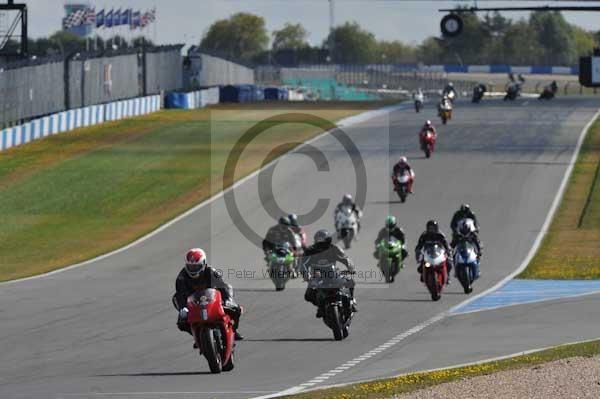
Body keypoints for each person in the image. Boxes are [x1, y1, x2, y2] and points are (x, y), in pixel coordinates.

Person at [174, 248, 244, 341]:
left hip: (213, 300)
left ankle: (234, 330)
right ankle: (198, 337)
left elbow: (222, 286)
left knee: (236, 309)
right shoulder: (181, 277)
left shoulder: (211, 271)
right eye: (190, 267)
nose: (193, 270)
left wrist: (227, 300)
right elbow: (180, 295)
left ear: (204, 264)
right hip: (194, 303)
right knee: (181, 323)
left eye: (196, 267)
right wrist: (183, 308)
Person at [302, 229, 358, 318]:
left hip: (333, 274)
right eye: (320, 243)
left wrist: (351, 268)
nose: (322, 246)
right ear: (316, 242)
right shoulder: (310, 251)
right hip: (317, 276)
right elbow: (303, 265)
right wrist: (306, 275)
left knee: (350, 281)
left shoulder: (335, 249)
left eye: (324, 243)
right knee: (309, 295)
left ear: (328, 241)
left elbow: (345, 259)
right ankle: (321, 307)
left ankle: (351, 301)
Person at [415, 220, 453, 285]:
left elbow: (446, 244)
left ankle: (447, 276)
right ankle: (423, 274)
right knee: (420, 268)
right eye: (430, 228)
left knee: (449, 264)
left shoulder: (440, 235)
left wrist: (448, 251)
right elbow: (419, 245)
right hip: (428, 254)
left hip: (439, 253)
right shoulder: (424, 235)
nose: (431, 230)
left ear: (436, 228)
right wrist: (418, 252)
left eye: (433, 228)